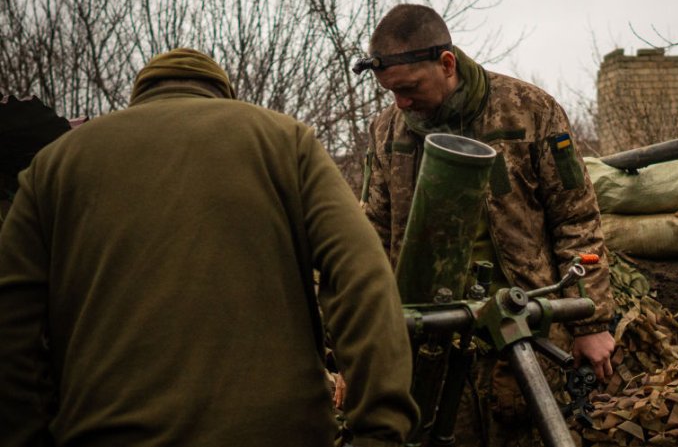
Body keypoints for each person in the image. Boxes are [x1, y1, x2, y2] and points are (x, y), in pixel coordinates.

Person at [0, 48, 419, 447]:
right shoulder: (285, 141)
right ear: (223, 94)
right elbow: (361, 276)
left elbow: (12, 325)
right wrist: (379, 429)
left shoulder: (53, 165)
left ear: (140, 96)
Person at [356, 4, 617, 446]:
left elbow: (576, 218)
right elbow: (373, 236)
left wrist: (591, 322)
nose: (400, 102)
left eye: (409, 88)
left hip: (524, 328)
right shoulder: (387, 132)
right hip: (430, 337)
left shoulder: (529, 111)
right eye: (390, 92)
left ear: (446, 64)